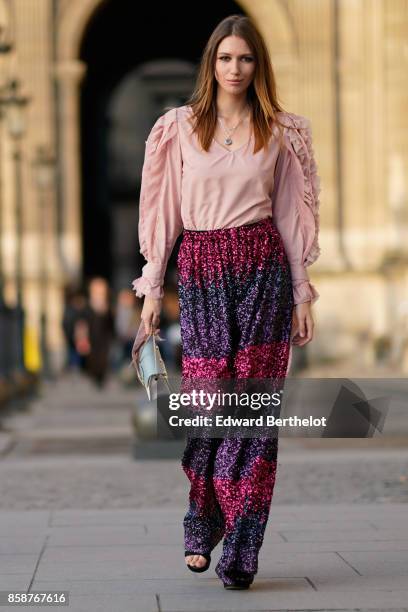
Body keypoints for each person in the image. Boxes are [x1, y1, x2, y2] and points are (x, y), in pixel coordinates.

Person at [131, 14, 321, 590]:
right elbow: (162, 212)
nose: (234, 69)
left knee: (256, 414)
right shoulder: (179, 129)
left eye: (245, 59)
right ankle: (204, 515)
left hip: (263, 268)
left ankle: (241, 545)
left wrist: (302, 291)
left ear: (257, 65)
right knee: (211, 402)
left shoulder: (282, 131)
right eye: (225, 58)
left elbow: (292, 214)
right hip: (203, 268)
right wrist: (150, 290)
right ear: (210, 65)